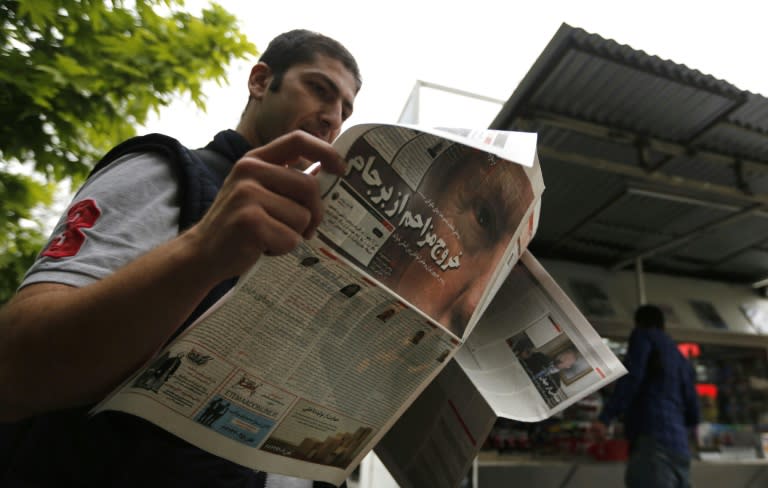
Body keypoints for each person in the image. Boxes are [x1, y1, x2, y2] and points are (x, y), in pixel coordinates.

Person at [0, 29, 361, 487]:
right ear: (260, 81)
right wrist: (202, 250)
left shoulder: (309, 240)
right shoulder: (166, 171)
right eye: (319, 89)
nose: (332, 117)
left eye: (346, 110)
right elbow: (14, 369)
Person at [592, 304, 700, 488]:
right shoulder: (680, 358)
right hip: (680, 449)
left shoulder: (643, 336)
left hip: (653, 443)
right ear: (662, 325)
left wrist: (605, 417)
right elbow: (693, 409)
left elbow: (632, 378)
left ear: (638, 323)